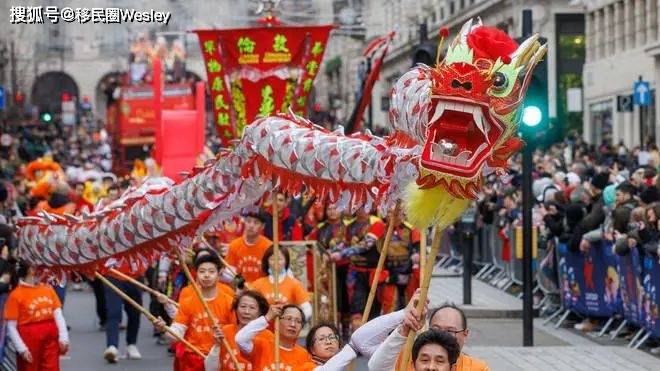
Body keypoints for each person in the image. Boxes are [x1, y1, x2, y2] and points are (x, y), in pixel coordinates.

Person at [154, 253, 234, 371]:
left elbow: (236, 333)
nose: (206, 275)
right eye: (202, 272)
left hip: (221, 357)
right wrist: (164, 329)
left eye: (211, 272)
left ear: (219, 274)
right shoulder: (188, 301)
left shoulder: (230, 302)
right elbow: (177, 331)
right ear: (196, 274)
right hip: (193, 358)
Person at [4, 261, 69, 371]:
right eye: (41, 268)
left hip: (51, 340)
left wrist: (64, 337)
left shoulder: (48, 289)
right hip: (28, 341)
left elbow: (58, 314)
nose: (46, 271)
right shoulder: (16, 295)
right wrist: (22, 349)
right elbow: (11, 326)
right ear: (31, 270)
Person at [203, 290, 272, 371]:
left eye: (252, 308)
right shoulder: (225, 331)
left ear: (260, 313)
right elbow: (210, 368)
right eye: (243, 306)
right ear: (236, 309)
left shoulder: (269, 337)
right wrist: (216, 346)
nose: (246, 312)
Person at [235, 303, 312, 370]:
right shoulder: (261, 346)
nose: (293, 324)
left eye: (298, 321)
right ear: (277, 322)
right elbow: (240, 339)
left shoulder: (304, 356)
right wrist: (267, 317)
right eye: (288, 319)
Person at [250, 246, 312, 319]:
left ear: (286, 261)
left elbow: (307, 309)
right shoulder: (257, 284)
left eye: (279, 259)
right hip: (264, 328)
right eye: (272, 259)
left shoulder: (294, 284)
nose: (276, 262)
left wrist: (296, 321)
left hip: (285, 328)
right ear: (267, 261)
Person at [225, 212, 272, 284]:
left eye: (256, 223)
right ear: (244, 222)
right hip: (241, 289)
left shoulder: (269, 247)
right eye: (248, 221)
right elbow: (229, 274)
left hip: (262, 289)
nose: (251, 226)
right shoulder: (234, 245)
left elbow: (273, 273)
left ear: (262, 226)